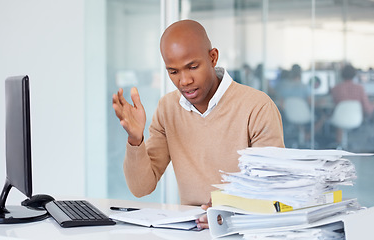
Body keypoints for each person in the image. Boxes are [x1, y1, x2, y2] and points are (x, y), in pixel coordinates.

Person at [112, 19, 284, 229]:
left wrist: (226, 204)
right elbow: (141, 188)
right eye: (173, 72)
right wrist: (135, 140)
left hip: (244, 227)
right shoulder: (168, 108)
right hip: (190, 229)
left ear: (213, 58)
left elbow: (272, 187)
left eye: (192, 67)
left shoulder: (257, 106)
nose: (184, 81)